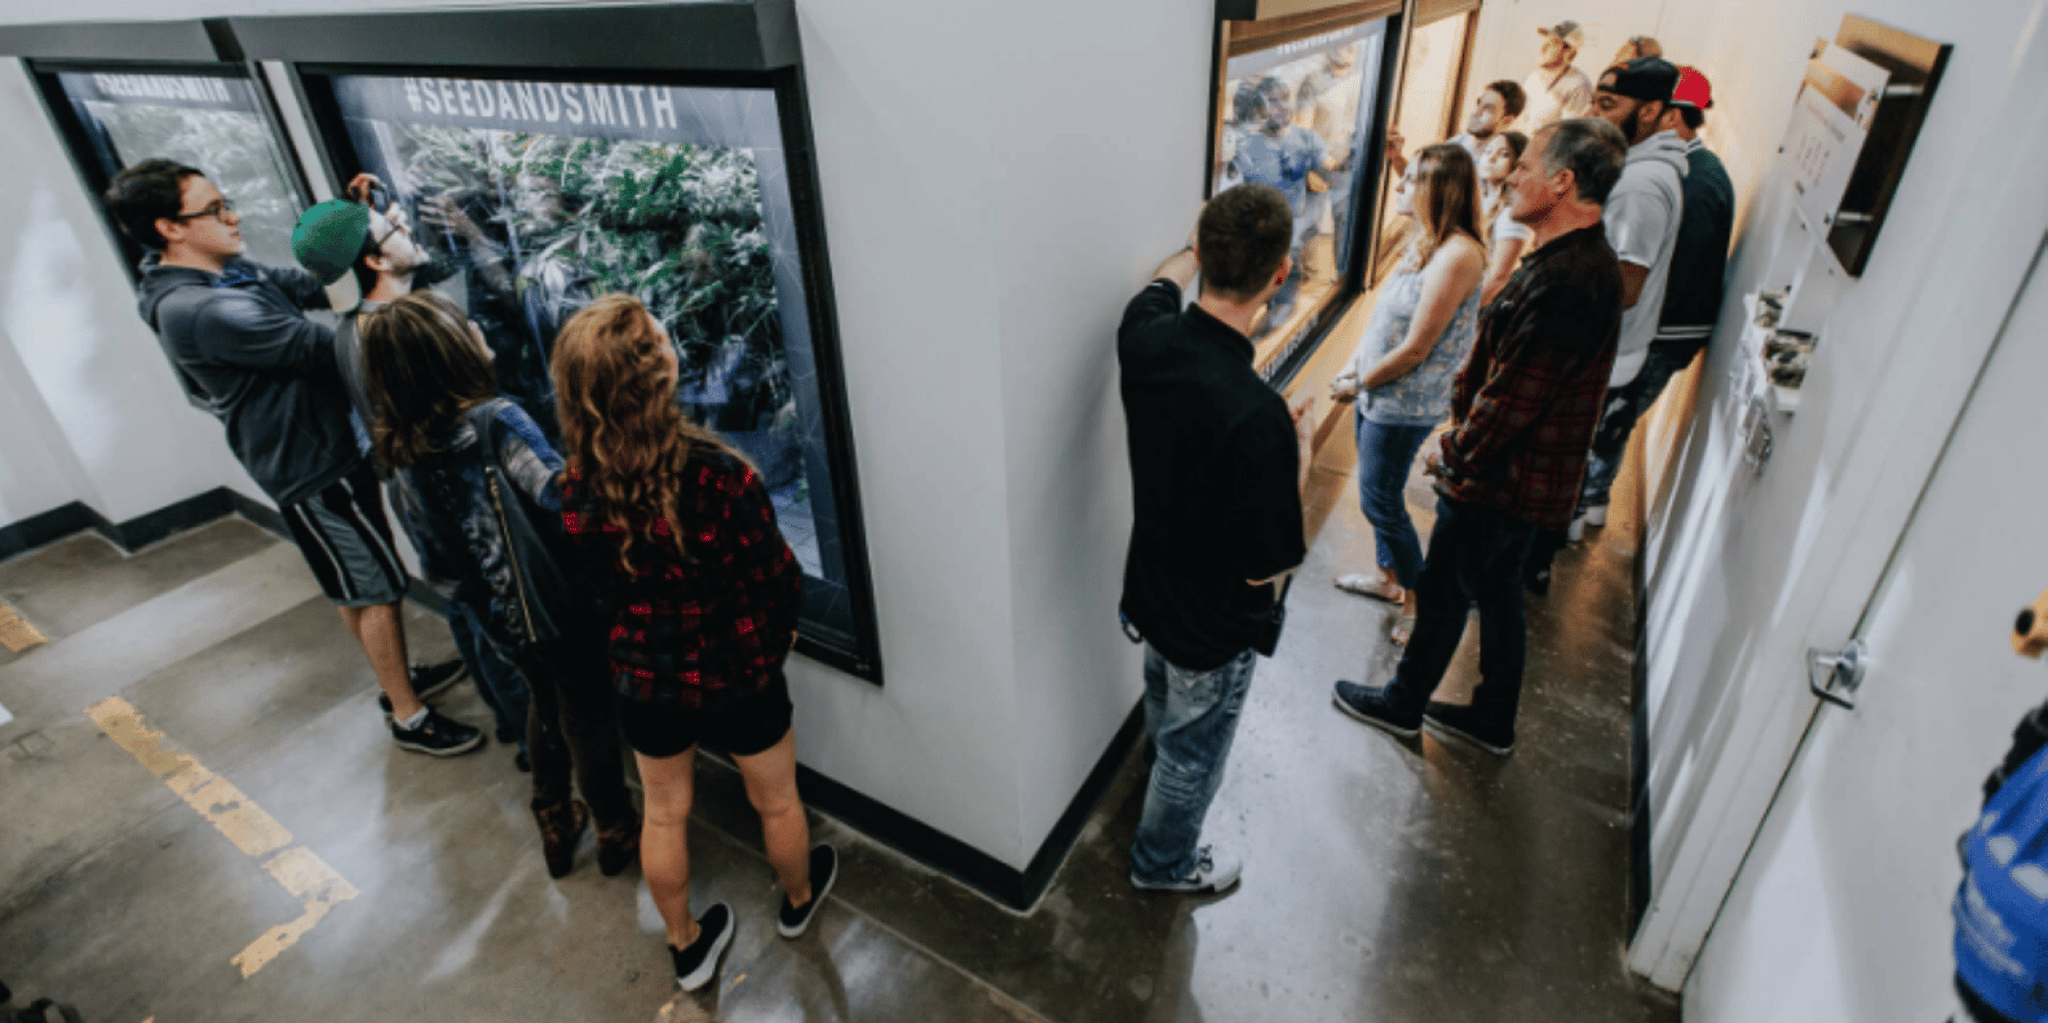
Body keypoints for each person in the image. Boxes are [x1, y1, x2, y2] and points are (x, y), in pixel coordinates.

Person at [105, 159, 478, 756]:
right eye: (216, 209)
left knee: (356, 582)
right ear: (169, 228)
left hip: (325, 449)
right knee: (374, 589)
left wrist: (360, 228)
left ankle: (396, 681)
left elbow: (308, 286)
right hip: (313, 468)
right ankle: (407, 716)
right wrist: (393, 271)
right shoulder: (200, 310)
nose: (235, 215)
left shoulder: (222, 274)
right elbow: (329, 345)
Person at [550, 294, 834, 992]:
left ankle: (685, 944)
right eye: (661, 339)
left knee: (664, 810)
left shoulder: (574, 486)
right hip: (740, 665)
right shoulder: (722, 474)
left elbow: (599, 584)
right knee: (776, 800)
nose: (671, 342)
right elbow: (776, 574)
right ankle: (798, 902)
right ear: (658, 374)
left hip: (646, 672)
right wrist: (781, 631)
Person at [1330, 118, 1628, 756]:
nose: (1512, 175)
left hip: (1504, 481)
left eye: (1527, 166)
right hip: (1526, 480)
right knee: (1499, 597)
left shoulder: (1569, 280)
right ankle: (1492, 718)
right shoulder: (1571, 261)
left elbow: (1516, 399)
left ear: (1563, 181)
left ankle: (1403, 705)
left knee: (1442, 593)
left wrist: (1454, 454)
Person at [358, 291, 640, 878]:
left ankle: (555, 818)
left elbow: (431, 554)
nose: (480, 328)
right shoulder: (497, 420)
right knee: (588, 716)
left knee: (543, 705)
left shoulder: (398, 448)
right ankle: (617, 831)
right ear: (451, 352)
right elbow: (558, 498)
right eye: (466, 326)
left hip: (497, 619)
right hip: (557, 609)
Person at [1117, 184, 1311, 893]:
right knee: (1191, 754)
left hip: (1151, 590)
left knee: (1166, 707)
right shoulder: (1260, 417)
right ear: (1280, 273)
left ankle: (1155, 789)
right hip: (1211, 624)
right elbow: (1268, 567)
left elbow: (1158, 287)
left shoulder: (1143, 340)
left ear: (1202, 253)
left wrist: (1184, 257)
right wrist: (1306, 455)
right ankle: (1161, 865)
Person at [302, 184, 537, 770]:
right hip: (453, 499)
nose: (408, 230)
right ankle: (536, 741)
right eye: (393, 231)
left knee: (464, 608)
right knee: (493, 618)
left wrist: (367, 208)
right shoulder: (397, 336)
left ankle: (513, 723)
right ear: (375, 261)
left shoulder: (357, 323)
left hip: (415, 495)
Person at [1328, 144, 1487, 647]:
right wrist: (1352, 368)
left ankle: (1420, 604)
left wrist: (1359, 383)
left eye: (1412, 178)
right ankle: (1387, 580)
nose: (1401, 186)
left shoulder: (1460, 255)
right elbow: (1382, 324)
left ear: (1441, 190)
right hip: (1379, 392)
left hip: (1403, 403)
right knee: (1379, 496)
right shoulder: (1425, 243)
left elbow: (1417, 347)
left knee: (1380, 503)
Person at [1577, 65, 1738, 540]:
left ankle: (1586, 507)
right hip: (1659, 328)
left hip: (1663, 332)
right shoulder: (1688, 169)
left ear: (1667, 116)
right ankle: (1591, 505)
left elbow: (1653, 275)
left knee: (1609, 422)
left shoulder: (1689, 181)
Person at [1571, 56, 1689, 538]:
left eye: (1608, 104)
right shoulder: (1636, 168)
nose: (1596, 115)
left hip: (1607, 346)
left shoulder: (1639, 186)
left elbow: (1624, 286)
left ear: (1649, 111)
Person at [1234, 77, 1352, 330]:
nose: (1282, 106)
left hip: (1289, 246)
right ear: (1259, 109)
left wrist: (1353, 155)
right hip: (1254, 246)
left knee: (1282, 308)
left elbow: (1333, 173)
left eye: (1285, 99)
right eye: (1273, 101)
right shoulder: (1246, 147)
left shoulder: (1307, 139)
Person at [1384, 80, 1526, 180]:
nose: (1476, 112)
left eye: (1488, 109)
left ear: (1506, 121)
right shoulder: (1459, 142)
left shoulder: (1497, 168)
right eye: (1479, 104)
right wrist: (1396, 156)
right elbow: (1419, 184)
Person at [1478, 131, 1533, 306]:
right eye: (1488, 151)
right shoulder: (1483, 199)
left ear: (1519, 164)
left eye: (1503, 154)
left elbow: (1498, 278)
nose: (1491, 158)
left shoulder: (1511, 215)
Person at [1521, 21, 1595, 128]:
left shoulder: (1578, 86)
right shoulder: (1533, 77)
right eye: (1545, 39)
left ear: (1570, 53)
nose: (1543, 47)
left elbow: (1568, 135)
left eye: (1552, 43)